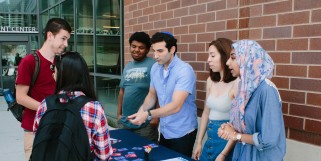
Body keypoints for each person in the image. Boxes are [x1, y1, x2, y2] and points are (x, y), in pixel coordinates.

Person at [128, 32, 198, 157]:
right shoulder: (155, 68)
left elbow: (176, 105)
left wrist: (148, 115)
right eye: (154, 51)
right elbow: (151, 94)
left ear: (172, 49)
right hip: (165, 130)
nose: (155, 55)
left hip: (183, 132)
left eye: (160, 51)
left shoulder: (184, 70)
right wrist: (141, 112)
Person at [33, 51, 112, 160]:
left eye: (55, 71)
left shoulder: (45, 104)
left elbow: (38, 140)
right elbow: (104, 155)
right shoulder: (94, 107)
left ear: (62, 75)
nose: (53, 74)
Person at [218, 40, 286, 161]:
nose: (228, 63)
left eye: (233, 58)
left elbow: (268, 139)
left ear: (248, 59)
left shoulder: (266, 90)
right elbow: (245, 126)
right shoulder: (245, 89)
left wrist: (236, 135)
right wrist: (229, 129)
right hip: (243, 155)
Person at [15, 18, 71, 160]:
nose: (66, 44)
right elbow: (20, 97)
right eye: (63, 39)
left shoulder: (61, 62)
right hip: (35, 130)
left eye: (67, 40)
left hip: (58, 128)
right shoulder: (29, 61)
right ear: (50, 35)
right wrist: (49, 108)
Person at [192, 38, 238, 161]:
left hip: (226, 140)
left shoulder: (237, 83)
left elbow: (238, 124)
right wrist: (199, 142)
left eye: (212, 55)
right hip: (210, 137)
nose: (209, 60)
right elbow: (206, 112)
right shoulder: (210, 81)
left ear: (225, 56)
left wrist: (224, 154)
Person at [117, 31, 159, 141]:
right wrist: (119, 114)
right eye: (133, 46)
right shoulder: (128, 66)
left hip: (145, 124)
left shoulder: (154, 65)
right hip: (125, 122)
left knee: (147, 155)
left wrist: (156, 117)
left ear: (147, 50)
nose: (136, 50)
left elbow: (159, 92)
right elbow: (122, 91)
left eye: (141, 48)